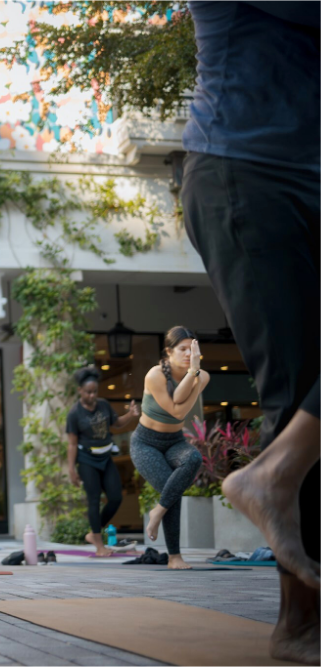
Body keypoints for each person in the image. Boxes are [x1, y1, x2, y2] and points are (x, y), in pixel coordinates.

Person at [180, 2, 319, 662]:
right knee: (292, 390)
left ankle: (276, 474)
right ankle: (301, 623)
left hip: (307, 176)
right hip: (244, 173)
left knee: (303, 414)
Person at [130, 326, 209, 570]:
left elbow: (181, 409)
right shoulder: (155, 375)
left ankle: (158, 512)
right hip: (145, 443)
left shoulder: (202, 376)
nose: (187, 354)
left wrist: (195, 372)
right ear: (168, 351)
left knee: (193, 458)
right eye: (182, 349)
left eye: (192, 349)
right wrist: (193, 373)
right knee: (169, 488)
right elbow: (176, 409)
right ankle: (174, 557)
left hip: (175, 442)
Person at [66, 367, 139, 557]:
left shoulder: (104, 405)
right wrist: (72, 469)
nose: (92, 395)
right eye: (88, 392)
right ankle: (99, 546)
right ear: (80, 391)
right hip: (86, 459)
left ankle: (93, 533)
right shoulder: (74, 414)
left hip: (105, 457)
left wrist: (130, 415)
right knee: (94, 499)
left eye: (94, 392)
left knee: (116, 497)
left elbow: (117, 424)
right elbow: (72, 444)